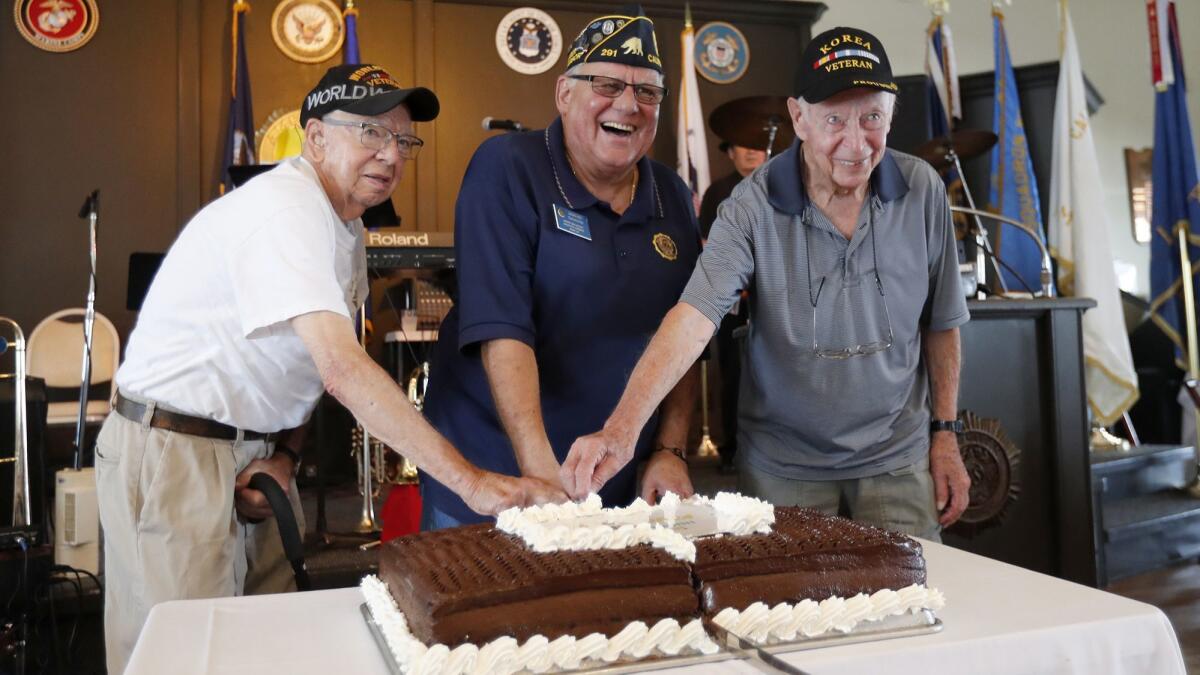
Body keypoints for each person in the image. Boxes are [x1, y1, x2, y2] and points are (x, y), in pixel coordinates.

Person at [95, 64, 559, 673]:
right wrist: (471, 483)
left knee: (262, 649)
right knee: (181, 654)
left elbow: (307, 366)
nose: (391, 155)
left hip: (247, 455)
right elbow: (342, 368)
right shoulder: (287, 208)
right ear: (315, 138)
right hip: (173, 453)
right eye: (371, 133)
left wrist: (285, 454)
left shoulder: (346, 226)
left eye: (403, 140)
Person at [562, 27, 972, 540]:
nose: (856, 142)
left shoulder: (923, 190)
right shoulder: (751, 206)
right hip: (785, 470)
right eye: (834, 120)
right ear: (798, 118)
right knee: (788, 613)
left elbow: (942, 324)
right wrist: (621, 431)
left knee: (913, 604)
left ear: (891, 115)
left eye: (872, 118)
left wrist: (946, 434)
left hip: (897, 461)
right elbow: (696, 315)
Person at [420, 5, 701, 530]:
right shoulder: (506, 167)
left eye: (647, 92)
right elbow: (503, 332)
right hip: (494, 475)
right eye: (607, 84)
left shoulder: (674, 196)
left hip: (610, 478)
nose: (629, 105)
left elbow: (683, 335)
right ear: (564, 93)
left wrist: (669, 450)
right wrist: (541, 475)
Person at [697, 141, 768, 473]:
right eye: (743, 145)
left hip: (772, 302)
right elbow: (708, 246)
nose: (751, 151)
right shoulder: (718, 192)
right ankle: (730, 449)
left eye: (755, 143)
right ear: (729, 152)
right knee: (732, 373)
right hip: (732, 301)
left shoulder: (778, 185)